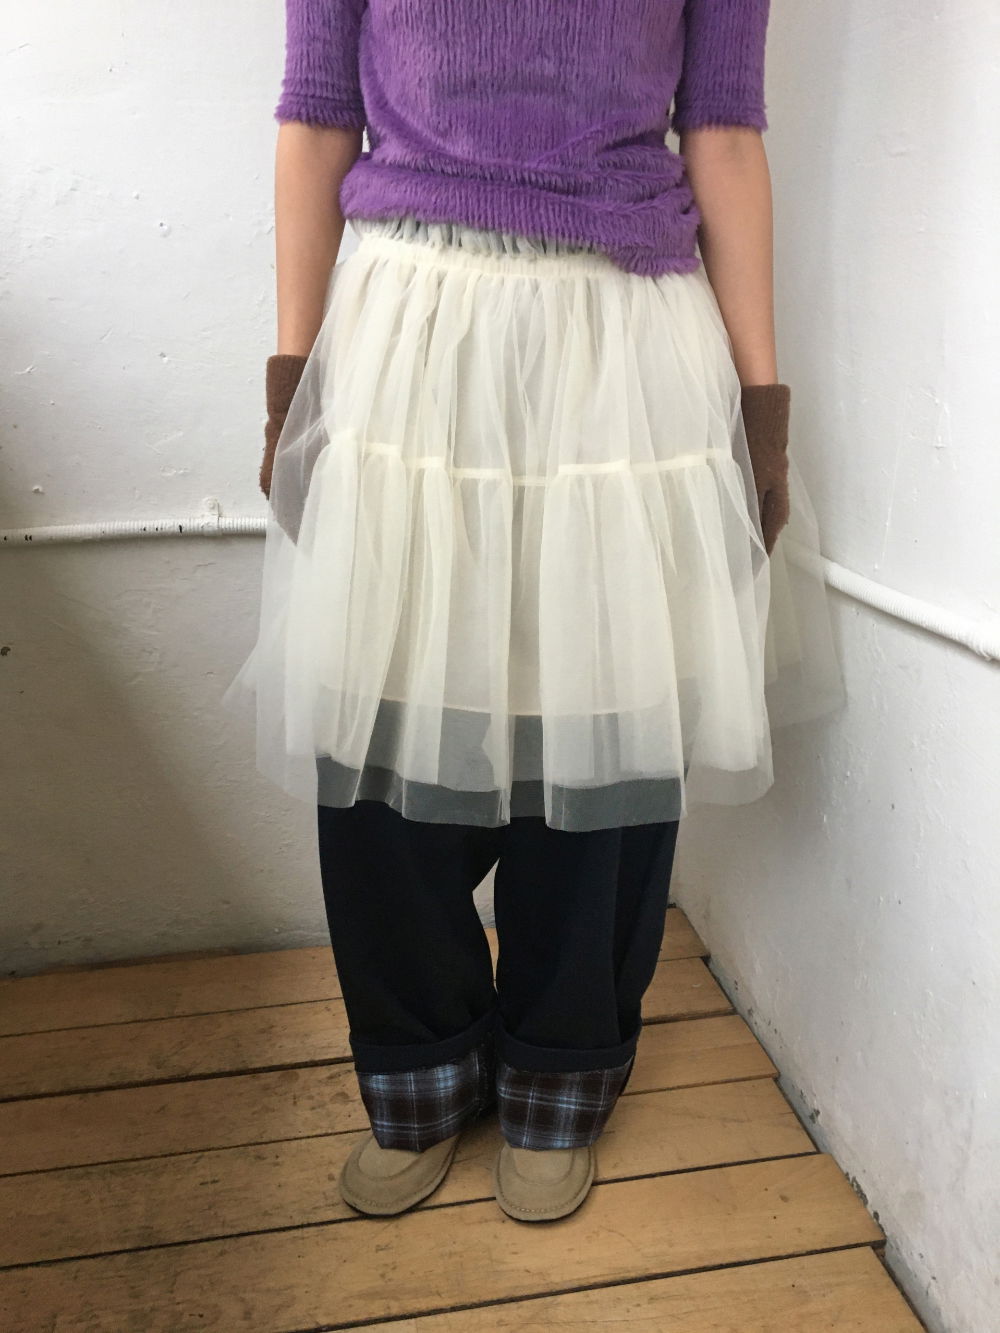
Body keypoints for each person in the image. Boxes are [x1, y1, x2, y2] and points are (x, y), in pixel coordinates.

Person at [223, 0, 845, 1223]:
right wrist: (291, 377)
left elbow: (724, 132)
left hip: (622, 344)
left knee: (603, 716)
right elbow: (317, 116)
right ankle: (417, 1064)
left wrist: (761, 402)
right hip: (409, 337)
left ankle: (565, 1067)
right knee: (383, 711)